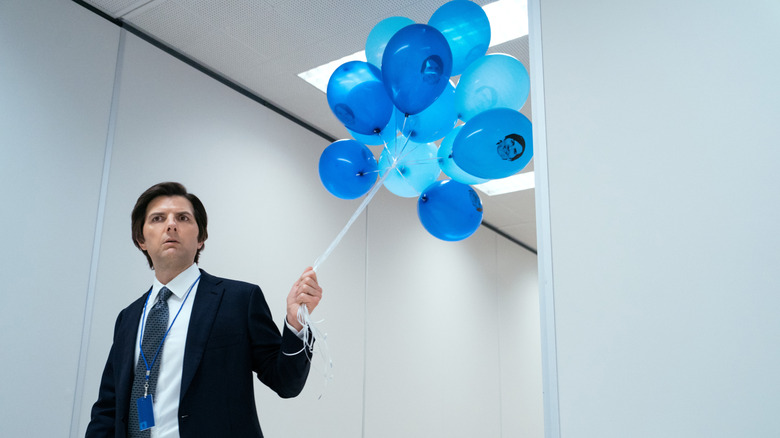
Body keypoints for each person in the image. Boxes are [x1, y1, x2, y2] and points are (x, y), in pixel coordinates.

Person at [86, 182, 322, 438]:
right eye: (157, 218)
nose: (171, 225)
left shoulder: (239, 300)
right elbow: (108, 409)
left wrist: (296, 323)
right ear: (141, 240)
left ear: (201, 238)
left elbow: (286, 382)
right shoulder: (129, 317)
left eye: (183, 218)